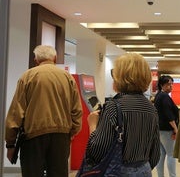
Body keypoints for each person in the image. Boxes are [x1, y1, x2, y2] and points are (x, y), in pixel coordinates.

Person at [5, 45, 83, 177]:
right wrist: (71, 132)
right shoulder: (67, 78)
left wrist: (10, 143)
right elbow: (76, 110)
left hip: (33, 137)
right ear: (55, 58)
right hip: (61, 135)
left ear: (36, 60)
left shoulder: (28, 76)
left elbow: (16, 112)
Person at [85, 53, 160, 176]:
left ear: (119, 77)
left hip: (117, 171)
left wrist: (92, 124)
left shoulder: (113, 107)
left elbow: (96, 151)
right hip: (144, 170)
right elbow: (155, 153)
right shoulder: (151, 108)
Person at [154, 75, 179, 177]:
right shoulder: (164, 97)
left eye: (171, 84)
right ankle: (173, 175)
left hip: (159, 130)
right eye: (168, 84)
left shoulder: (158, 95)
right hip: (167, 130)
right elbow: (169, 115)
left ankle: (160, 175)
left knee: (161, 155)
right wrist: (176, 129)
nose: (171, 86)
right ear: (161, 85)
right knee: (171, 154)